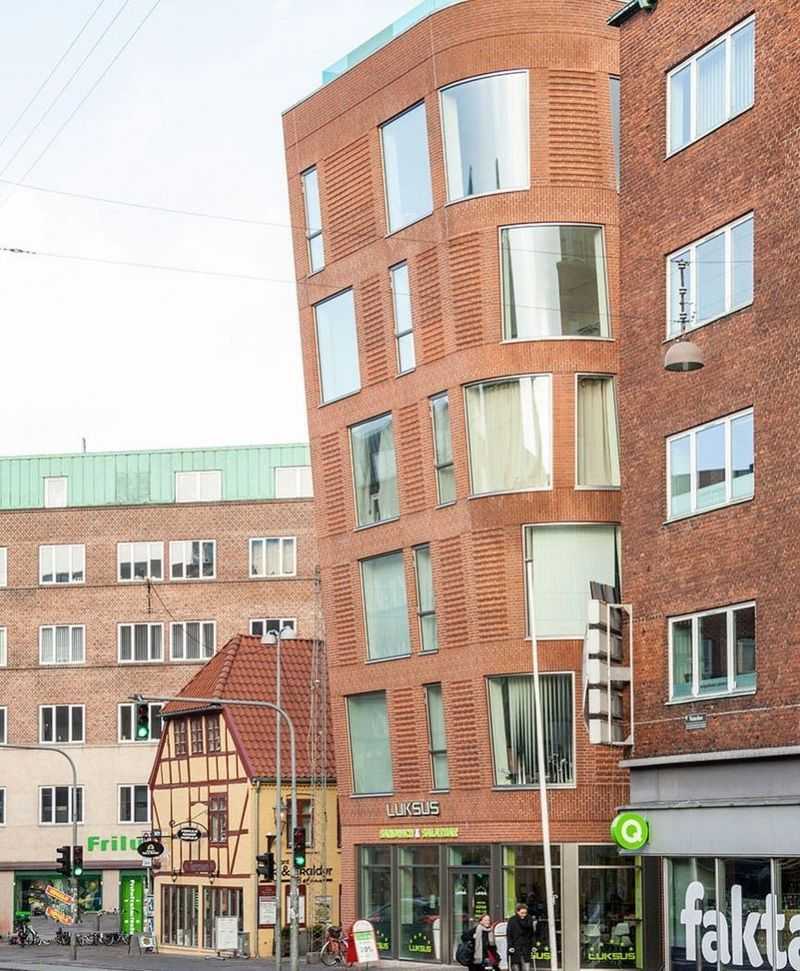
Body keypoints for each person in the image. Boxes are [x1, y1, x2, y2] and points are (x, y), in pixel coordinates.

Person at [507, 903, 536, 971]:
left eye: (525, 913)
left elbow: (532, 934)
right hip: (516, 946)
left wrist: (533, 945)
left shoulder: (529, 919)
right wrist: (510, 946)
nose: (524, 915)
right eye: (522, 913)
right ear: (517, 912)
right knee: (516, 967)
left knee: (526, 967)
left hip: (526, 946)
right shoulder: (512, 920)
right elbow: (509, 934)